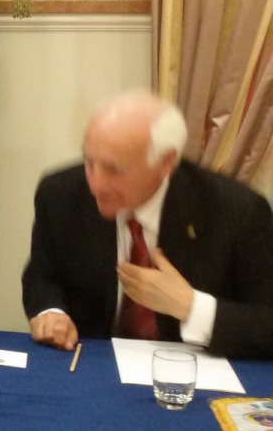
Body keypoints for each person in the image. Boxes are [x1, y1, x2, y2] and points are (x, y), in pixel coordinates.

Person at [22, 90, 273, 358]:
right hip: (89, 365)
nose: (95, 185)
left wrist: (190, 306)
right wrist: (51, 312)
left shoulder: (238, 211)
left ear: (166, 162)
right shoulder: (60, 194)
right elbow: (42, 277)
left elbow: (267, 322)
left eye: (114, 169)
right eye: (89, 162)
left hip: (190, 371)